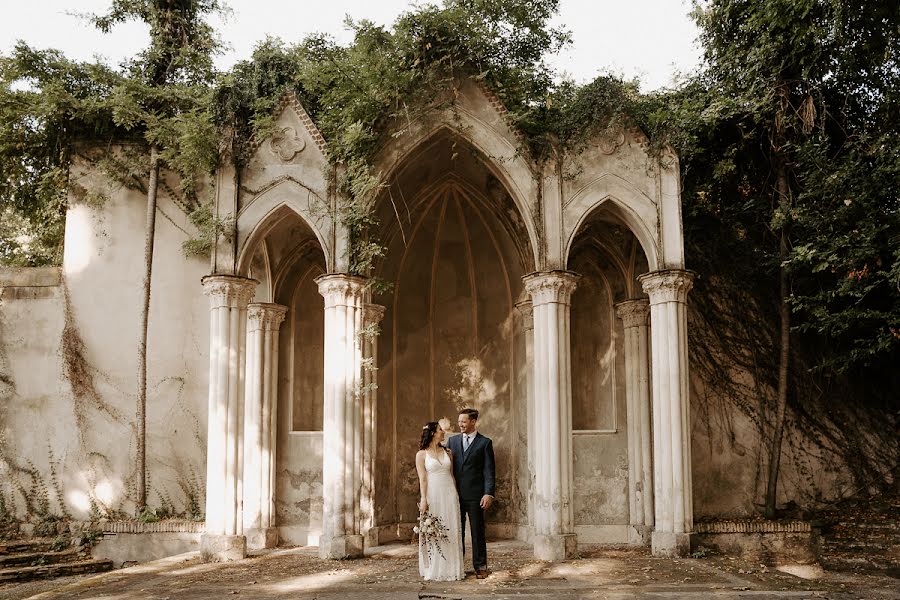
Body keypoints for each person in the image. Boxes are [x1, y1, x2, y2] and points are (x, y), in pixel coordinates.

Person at [446, 408, 495, 579]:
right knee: (456, 532)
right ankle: (457, 565)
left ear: (473, 422)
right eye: (459, 421)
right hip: (454, 495)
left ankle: (480, 566)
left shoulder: (485, 443)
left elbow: (489, 471)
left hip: (476, 496)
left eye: (464, 421)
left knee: (477, 532)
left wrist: (488, 493)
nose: (460, 424)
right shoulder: (451, 442)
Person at [415, 421, 464, 581]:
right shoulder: (421, 454)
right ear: (433, 433)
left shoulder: (448, 452)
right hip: (433, 494)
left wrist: (455, 494)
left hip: (449, 493)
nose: (443, 432)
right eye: (440, 430)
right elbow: (422, 479)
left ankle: (452, 569)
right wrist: (424, 499)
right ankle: (436, 568)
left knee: (451, 528)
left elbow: (452, 475)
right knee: (435, 531)